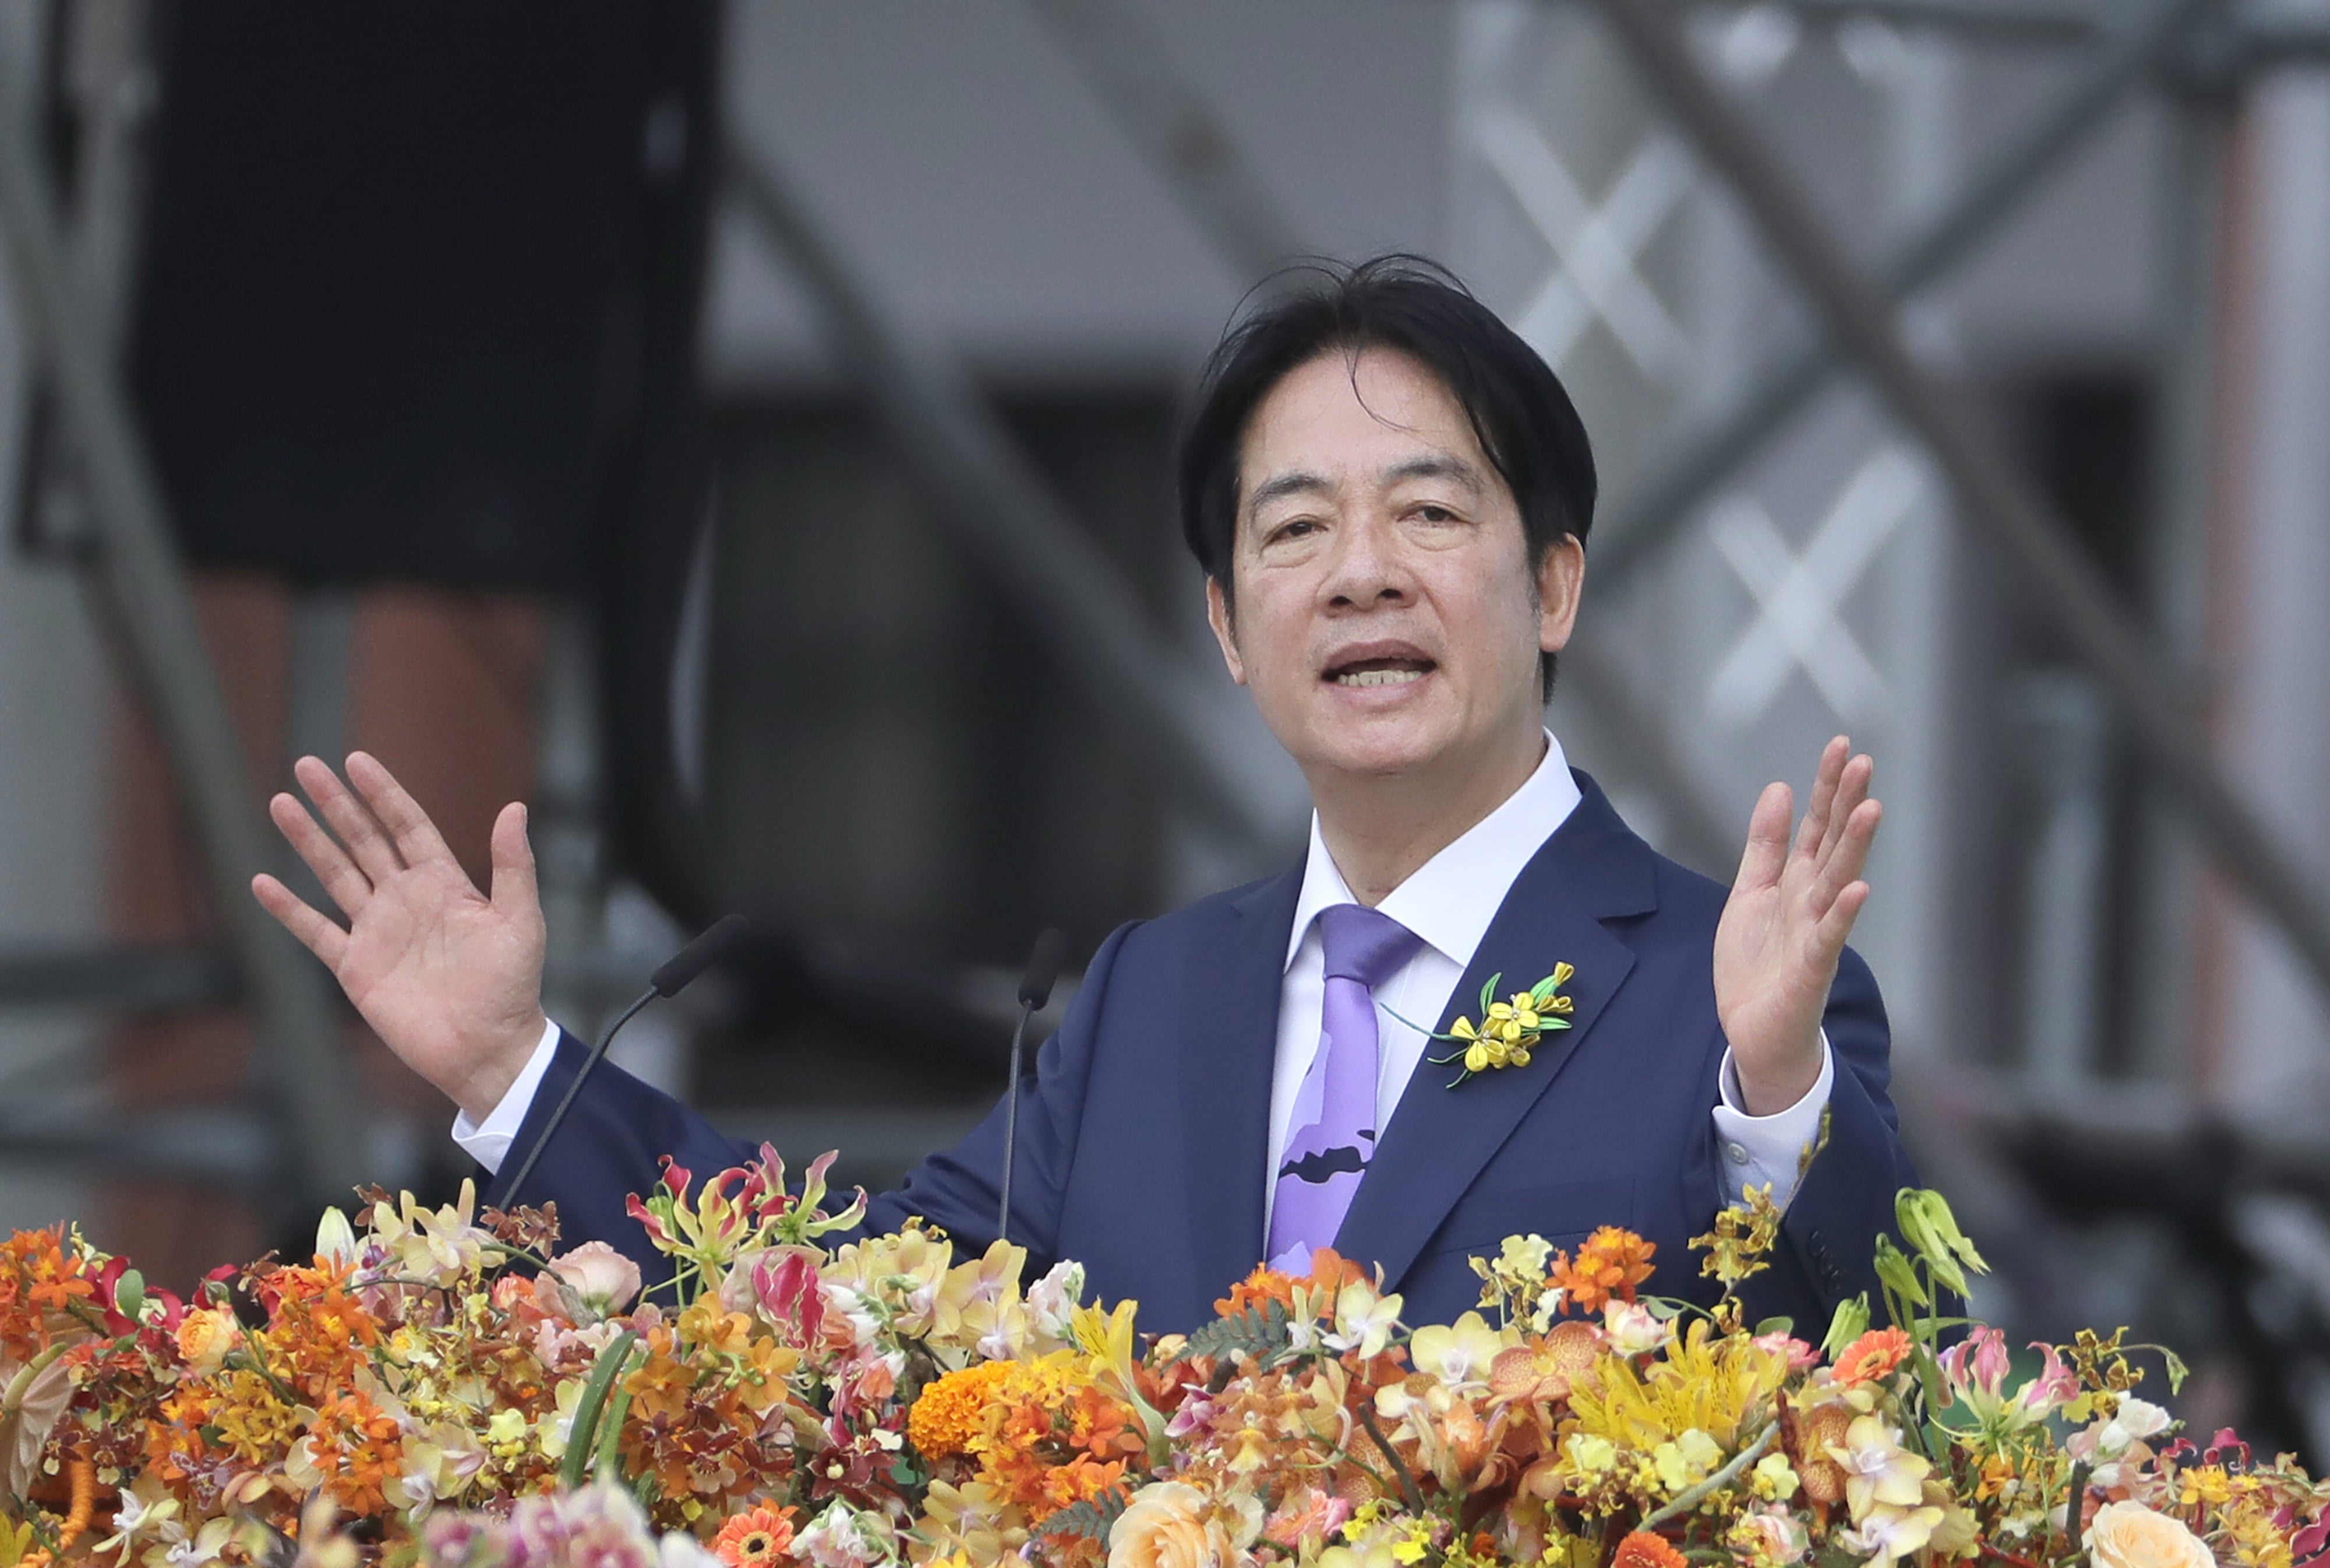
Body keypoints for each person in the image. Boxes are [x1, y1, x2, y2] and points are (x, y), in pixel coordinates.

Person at [252, 256, 1913, 1336]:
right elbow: (843, 1300)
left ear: (1552, 584)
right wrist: (513, 1070)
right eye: (1291, 532)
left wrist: (1770, 1108)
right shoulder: (1149, 1001)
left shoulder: (1731, 989)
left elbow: (1886, 1361)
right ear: (1228, 629)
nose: (1358, 577)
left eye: (1425, 514)